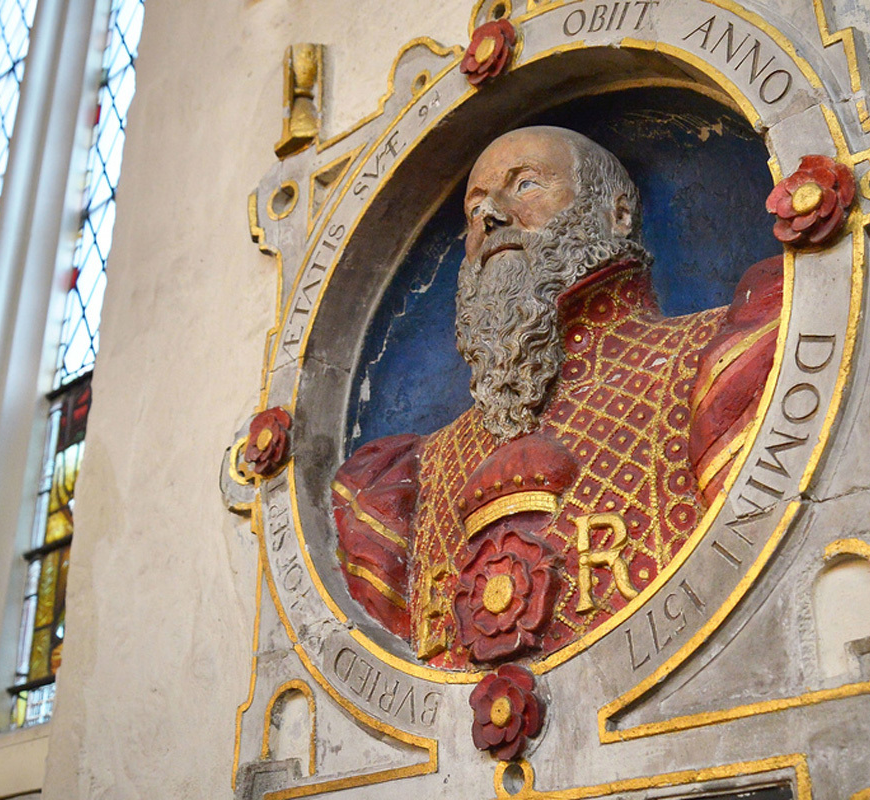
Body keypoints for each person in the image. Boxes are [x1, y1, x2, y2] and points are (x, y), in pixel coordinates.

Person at [332, 127, 782, 670]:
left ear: (616, 215)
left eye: (523, 185)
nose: (491, 217)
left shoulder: (724, 357)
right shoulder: (402, 480)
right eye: (475, 210)